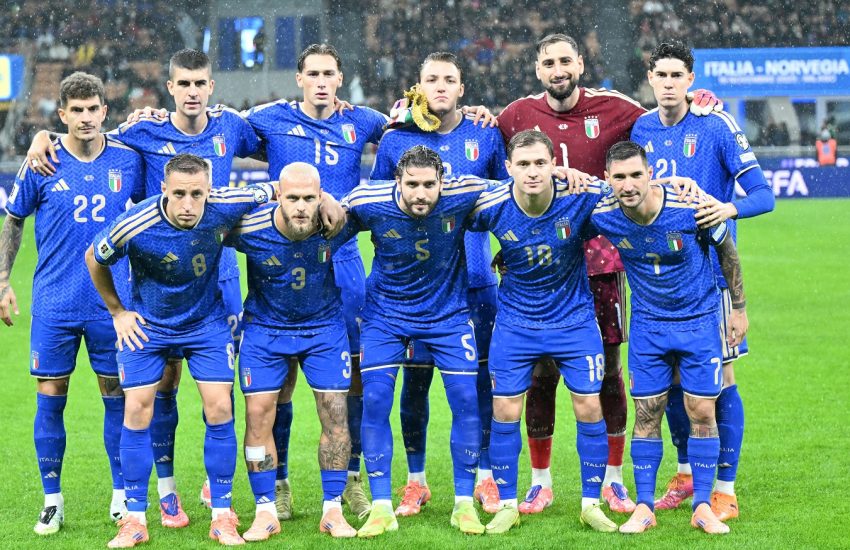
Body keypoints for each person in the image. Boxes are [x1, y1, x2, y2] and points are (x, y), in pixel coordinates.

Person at [26, 48, 263, 527]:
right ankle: (167, 489)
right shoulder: (143, 131)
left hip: (219, 277)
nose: (192, 92)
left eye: (200, 83)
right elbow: (88, 137)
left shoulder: (232, 125)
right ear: (170, 88)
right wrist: (43, 136)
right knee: (163, 386)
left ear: (211, 86)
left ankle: (216, 487)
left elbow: (274, 146)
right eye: (184, 83)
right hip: (160, 278)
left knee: (221, 391)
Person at [496, 32, 720, 514]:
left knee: (610, 370)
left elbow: (663, 114)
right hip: (543, 264)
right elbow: (480, 142)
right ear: (537, 69)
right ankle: (540, 481)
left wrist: (697, 100)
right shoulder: (514, 116)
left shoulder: (617, 108)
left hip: (601, 260)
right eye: (549, 63)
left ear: (580, 63)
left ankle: (614, 480)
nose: (558, 70)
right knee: (540, 373)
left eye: (566, 61)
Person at [85, 154, 276, 548]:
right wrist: (118, 312)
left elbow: (277, 188)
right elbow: (94, 257)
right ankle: (135, 520)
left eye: (197, 194)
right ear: (164, 190)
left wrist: (324, 200)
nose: (188, 204)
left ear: (209, 191)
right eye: (179, 194)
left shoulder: (225, 204)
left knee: (219, 407)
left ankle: (221, 515)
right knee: (137, 409)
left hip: (206, 324)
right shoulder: (136, 223)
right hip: (150, 326)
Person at [242, 43, 389, 520]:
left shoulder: (362, 120)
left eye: (330, 73)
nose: (322, 82)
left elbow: (412, 129)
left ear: (340, 79)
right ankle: (279, 482)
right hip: (282, 259)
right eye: (314, 74)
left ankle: (351, 480)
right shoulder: (269, 118)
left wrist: (470, 114)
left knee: (353, 381)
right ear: (299, 79)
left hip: (342, 260)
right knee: (279, 381)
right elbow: (211, 131)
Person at [630, 40, 773, 520]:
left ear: (691, 80)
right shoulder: (641, 127)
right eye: (662, 75)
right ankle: (687, 473)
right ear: (650, 78)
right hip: (658, 284)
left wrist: (727, 207)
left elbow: (764, 195)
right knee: (669, 385)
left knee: (721, 383)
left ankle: (725, 490)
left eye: (678, 75)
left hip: (711, 281)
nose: (669, 83)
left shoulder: (716, 124)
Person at [0, 72, 144, 535]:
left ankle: (121, 496)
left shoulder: (128, 159)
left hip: (112, 307)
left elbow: (150, 217)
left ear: (105, 111)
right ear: (61, 114)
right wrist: (2, 280)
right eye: (76, 110)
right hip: (55, 304)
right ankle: (52, 500)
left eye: (92, 109)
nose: (85, 117)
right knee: (50, 399)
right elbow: (14, 218)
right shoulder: (42, 161)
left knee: (116, 399)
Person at [370, 51, 508, 516]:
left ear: (462, 89)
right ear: (419, 86)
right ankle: (416, 481)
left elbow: (507, 199)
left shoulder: (485, 133)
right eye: (432, 79)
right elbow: (378, 205)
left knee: (479, 385)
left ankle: (484, 476)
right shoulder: (396, 139)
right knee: (415, 384)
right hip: (416, 289)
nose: (441, 86)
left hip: (475, 281)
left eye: (450, 79)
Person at [589, 140, 747, 535]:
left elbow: (727, 250)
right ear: (607, 179)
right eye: (619, 177)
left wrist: (739, 308)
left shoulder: (688, 205)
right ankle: (644, 507)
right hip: (649, 327)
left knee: (702, 410)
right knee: (647, 414)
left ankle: (703, 506)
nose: (628, 184)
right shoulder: (603, 213)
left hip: (699, 322)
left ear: (650, 174)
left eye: (635, 174)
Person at [467, 130, 617, 534]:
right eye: (523, 164)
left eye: (540, 163)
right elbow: (445, 200)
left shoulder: (579, 195)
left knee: (589, 406)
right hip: (516, 324)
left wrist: (677, 183)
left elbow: (630, 188)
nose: (532, 172)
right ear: (509, 168)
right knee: (504, 410)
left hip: (574, 320)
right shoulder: (492, 203)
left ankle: (591, 504)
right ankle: (507, 505)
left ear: (554, 164)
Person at [341, 145, 490, 537]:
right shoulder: (367, 200)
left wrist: (564, 176)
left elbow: (518, 194)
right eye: (412, 185)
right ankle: (381, 508)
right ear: (398, 181)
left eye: (429, 185)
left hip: (448, 315)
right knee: (375, 399)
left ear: (443, 182)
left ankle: (463, 504)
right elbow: (328, 221)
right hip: (386, 316)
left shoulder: (464, 193)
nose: (421, 194)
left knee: (466, 399)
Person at [226, 162, 358, 540]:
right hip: (266, 330)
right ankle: (265, 510)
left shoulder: (337, 223)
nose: (301, 207)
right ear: (278, 196)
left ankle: (332, 510)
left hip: (323, 330)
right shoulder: (250, 228)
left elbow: (385, 206)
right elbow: (209, 215)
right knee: (258, 417)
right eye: (293, 198)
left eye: (309, 198)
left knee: (335, 413)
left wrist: (335, 203)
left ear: (321, 197)